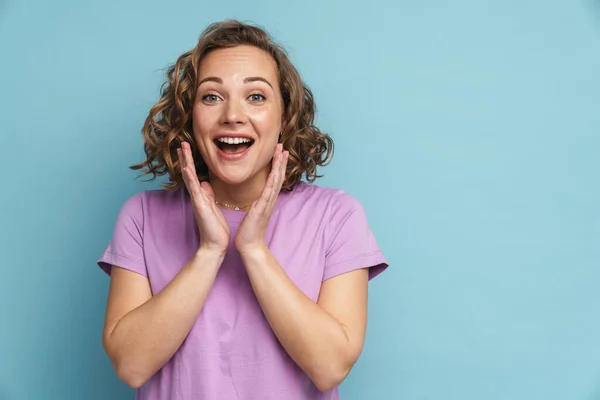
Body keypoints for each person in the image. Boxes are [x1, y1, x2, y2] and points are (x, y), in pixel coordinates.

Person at [96, 19, 389, 400]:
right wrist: (210, 251)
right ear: (189, 117)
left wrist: (253, 249)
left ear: (284, 118)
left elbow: (329, 367)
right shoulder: (141, 216)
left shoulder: (337, 217)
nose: (232, 115)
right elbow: (131, 365)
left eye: (256, 96)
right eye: (211, 96)